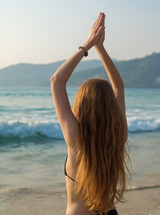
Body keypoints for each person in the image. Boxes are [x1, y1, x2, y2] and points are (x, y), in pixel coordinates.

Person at [50, 12, 129, 215]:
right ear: (111, 105)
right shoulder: (118, 134)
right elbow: (118, 86)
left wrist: (88, 45)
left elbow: (57, 81)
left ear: (81, 104)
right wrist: (100, 48)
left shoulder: (75, 136)